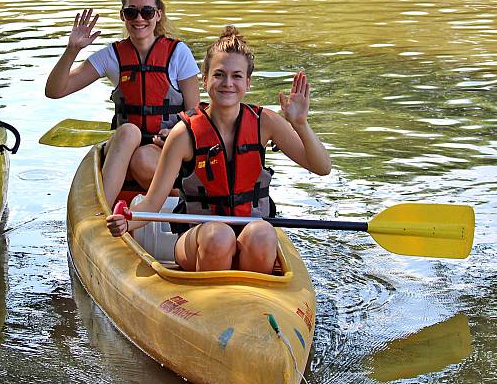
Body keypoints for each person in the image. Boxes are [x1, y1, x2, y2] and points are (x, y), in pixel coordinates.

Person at [106, 26, 332, 274]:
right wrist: (126, 221)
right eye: (219, 75)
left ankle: (251, 301)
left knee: (263, 231)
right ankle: (204, 302)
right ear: (205, 80)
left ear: (248, 82)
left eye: (236, 76)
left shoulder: (265, 122)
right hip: (199, 239)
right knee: (219, 236)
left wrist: (301, 125)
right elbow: (152, 203)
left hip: (250, 236)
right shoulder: (183, 134)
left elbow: (321, 167)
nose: (228, 83)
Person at [45, 0, 200, 205]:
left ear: (158, 14)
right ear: (122, 16)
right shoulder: (112, 56)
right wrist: (72, 50)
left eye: (147, 12)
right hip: (123, 147)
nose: (139, 19)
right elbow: (54, 91)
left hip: (163, 151)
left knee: (142, 159)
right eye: (131, 12)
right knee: (128, 132)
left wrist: (174, 136)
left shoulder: (178, 53)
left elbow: (194, 114)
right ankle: (102, 213)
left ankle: (176, 197)